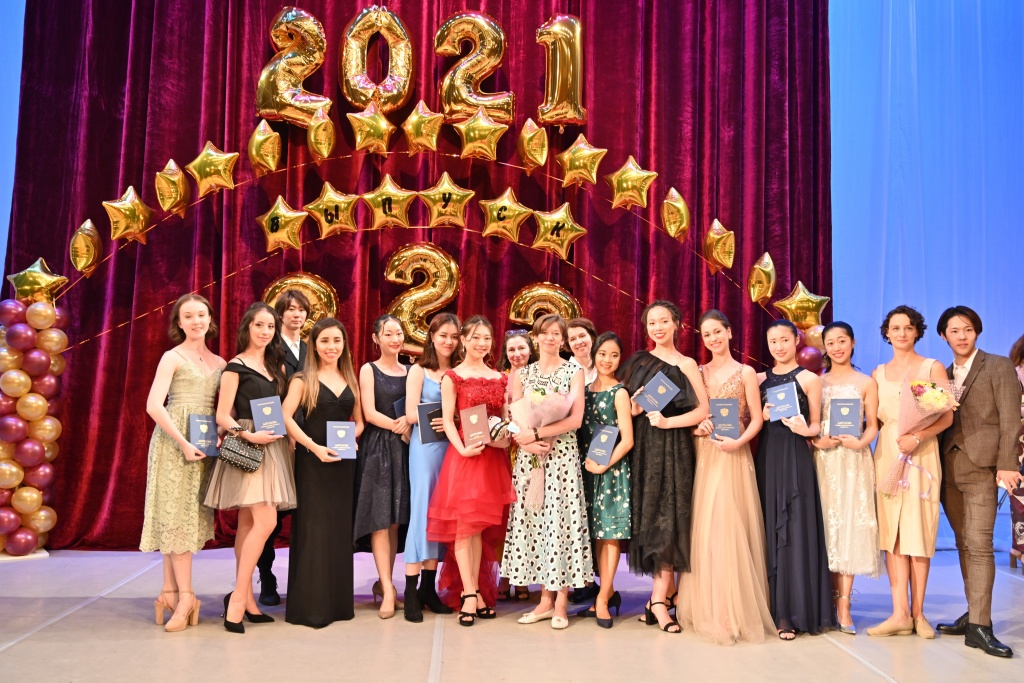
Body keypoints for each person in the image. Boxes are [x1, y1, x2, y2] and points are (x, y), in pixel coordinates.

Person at [678, 310, 773, 644]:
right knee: (706, 531)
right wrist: (697, 427)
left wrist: (739, 441)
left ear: (730, 332)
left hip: (734, 454)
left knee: (730, 529)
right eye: (707, 334)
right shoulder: (698, 371)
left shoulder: (745, 372)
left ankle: (733, 613)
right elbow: (692, 416)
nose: (713, 339)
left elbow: (757, 419)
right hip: (705, 455)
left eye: (718, 331)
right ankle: (710, 609)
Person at [933, 306, 1022, 657]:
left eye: (968, 329)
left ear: (977, 332)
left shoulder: (997, 365)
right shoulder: (941, 374)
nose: (962, 336)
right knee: (964, 545)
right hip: (948, 469)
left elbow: (1011, 418)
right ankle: (974, 614)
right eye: (954, 331)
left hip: (984, 468)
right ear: (944, 336)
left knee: (980, 545)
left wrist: (1007, 464)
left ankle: (981, 627)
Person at [205, 302, 296, 634]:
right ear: (247, 327)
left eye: (270, 326)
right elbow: (222, 415)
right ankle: (238, 600)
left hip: (273, 447)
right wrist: (248, 435)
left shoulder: (276, 365)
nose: (265, 331)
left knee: (248, 522)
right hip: (248, 443)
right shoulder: (235, 367)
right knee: (266, 520)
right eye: (259, 325)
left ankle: (247, 601)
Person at [621, 300, 709, 634]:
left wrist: (669, 422)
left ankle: (658, 600)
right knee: (652, 518)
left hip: (674, 448)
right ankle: (661, 597)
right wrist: (635, 407)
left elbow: (703, 410)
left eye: (664, 321)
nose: (658, 328)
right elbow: (626, 411)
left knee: (671, 518)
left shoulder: (687, 364)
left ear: (677, 324)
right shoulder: (638, 361)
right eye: (652, 323)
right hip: (644, 449)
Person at [140, 294, 226, 632]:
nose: (196, 321)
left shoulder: (220, 362)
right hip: (174, 442)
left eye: (201, 314)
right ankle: (187, 596)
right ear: (179, 322)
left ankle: (169, 591)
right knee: (173, 516)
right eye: (188, 316)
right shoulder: (172, 357)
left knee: (184, 516)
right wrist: (183, 442)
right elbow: (154, 405)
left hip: (202, 442)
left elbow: (222, 409)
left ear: (210, 319)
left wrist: (219, 433)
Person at [867, 306, 953, 639]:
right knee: (893, 535)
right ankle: (899, 613)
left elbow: (945, 416)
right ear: (886, 333)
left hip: (921, 454)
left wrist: (917, 437)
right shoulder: (878, 373)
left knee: (918, 532)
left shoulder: (930, 367)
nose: (901, 333)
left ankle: (919, 614)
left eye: (908, 327)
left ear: (917, 331)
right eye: (895, 328)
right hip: (888, 453)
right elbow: (874, 421)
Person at [426, 315, 516, 626]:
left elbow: (504, 419)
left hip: (492, 460)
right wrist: (463, 448)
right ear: (463, 340)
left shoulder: (500, 378)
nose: (481, 343)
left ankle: (476, 590)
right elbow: (449, 420)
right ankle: (467, 593)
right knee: (465, 527)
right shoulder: (453, 377)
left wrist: (504, 438)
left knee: (480, 529)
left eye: (486, 338)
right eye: (475, 337)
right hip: (465, 458)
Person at [505, 314, 591, 630]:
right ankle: (543, 600)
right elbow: (514, 415)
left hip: (562, 456)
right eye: (545, 333)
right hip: (531, 458)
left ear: (563, 339)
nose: (551, 338)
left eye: (557, 333)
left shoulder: (574, 371)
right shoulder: (522, 374)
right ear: (536, 337)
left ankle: (562, 602)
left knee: (560, 524)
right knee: (537, 523)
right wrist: (524, 440)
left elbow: (576, 419)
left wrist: (538, 434)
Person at [281, 317, 363, 628]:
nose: (332, 346)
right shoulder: (303, 379)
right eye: (325, 341)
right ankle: (311, 607)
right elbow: (285, 417)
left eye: (337, 340)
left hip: (343, 465)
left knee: (338, 530)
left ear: (344, 344)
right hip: (313, 464)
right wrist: (313, 447)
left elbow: (359, 421)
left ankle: (337, 605)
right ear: (314, 345)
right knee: (314, 530)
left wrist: (353, 437)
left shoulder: (350, 377)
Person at [756, 319, 833, 640]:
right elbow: (746, 421)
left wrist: (805, 429)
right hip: (767, 457)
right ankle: (773, 611)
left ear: (796, 341)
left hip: (796, 457)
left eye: (784, 340)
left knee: (796, 529)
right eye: (773, 341)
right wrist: (760, 416)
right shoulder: (759, 378)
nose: (779, 346)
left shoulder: (809, 379)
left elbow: (815, 425)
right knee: (768, 529)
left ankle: (795, 611)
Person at [810, 322, 881, 635]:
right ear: (824, 347)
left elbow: (873, 424)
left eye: (842, 341)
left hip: (853, 460)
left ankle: (844, 605)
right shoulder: (817, 382)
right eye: (831, 342)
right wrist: (818, 442)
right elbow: (812, 425)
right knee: (826, 527)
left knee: (849, 527)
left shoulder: (866, 382)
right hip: (824, 461)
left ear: (852, 343)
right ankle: (824, 600)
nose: (837, 347)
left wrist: (860, 442)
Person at [403, 313, 460, 622]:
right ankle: (410, 590)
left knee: (442, 514)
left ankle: (428, 587)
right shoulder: (419, 370)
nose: (448, 341)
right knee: (422, 511)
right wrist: (443, 415)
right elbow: (411, 413)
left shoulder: (459, 371)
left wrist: (454, 420)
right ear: (432, 337)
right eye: (443, 335)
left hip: (453, 449)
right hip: (425, 448)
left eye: (454, 336)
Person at [576, 332, 634, 628]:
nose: (607, 360)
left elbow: (627, 440)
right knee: (596, 535)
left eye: (614, 355)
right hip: (586, 469)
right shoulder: (583, 391)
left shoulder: (619, 393)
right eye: (603, 353)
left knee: (609, 534)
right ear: (594, 354)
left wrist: (604, 466)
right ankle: (608, 592)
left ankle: (601, 600)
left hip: (611, 472)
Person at [356, 315, 412, 619]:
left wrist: (410, 423)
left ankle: (384, 582)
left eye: (398, 333)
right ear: (376, 339)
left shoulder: (412, 370)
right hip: (379, 447)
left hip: (405, 448)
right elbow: (369, 412)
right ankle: (389, 589)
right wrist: (398, 425)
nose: (395, 339)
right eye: (388, 334)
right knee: (380, 517)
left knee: (394, 521)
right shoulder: (369, 369)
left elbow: (417, 407)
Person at [257, 289, 310, 606]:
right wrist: (283, 431)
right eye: (290, 309)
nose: (296, 314)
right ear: (280, 314)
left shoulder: (311, 348)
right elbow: (267, 395)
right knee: (271, 514)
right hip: (278, 438)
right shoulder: (269, 347)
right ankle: (266, 576)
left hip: (308, 438)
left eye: (301, 309)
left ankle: (304, 579)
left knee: (305, 512)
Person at [496, 329, 536, 603]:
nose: (517, 354)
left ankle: (522, 576)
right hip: (502, 452)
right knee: (504, 516)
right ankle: (504, 575)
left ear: (531, 350)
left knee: (525, 514)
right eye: (511, 349)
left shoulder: (538, 376)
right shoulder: (499, 378)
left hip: (528, 451)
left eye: (521, 348)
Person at [566, 317, 600, 606]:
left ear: (592, 337)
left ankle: (600, 580)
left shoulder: (606, 365)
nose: (578, 342)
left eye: (582, 336)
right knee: (576, 515)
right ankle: (581, 580)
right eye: (573, 338)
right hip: (571, 449)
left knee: (597, 514)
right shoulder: (565, 371)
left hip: (603, 449)